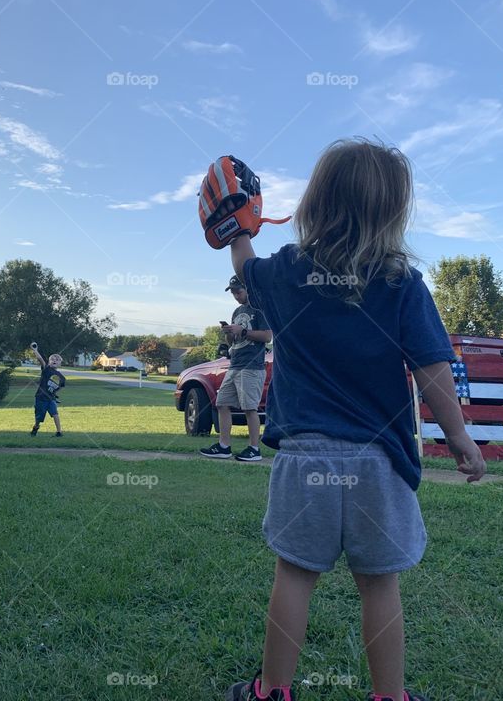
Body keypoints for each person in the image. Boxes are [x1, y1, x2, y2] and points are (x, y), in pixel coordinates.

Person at [219, 140, 486, 701]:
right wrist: (458, 436)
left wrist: (237, 222)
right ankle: (391, 695)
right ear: (392, 210)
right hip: (379, 462)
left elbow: (245, 265)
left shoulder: (289, 272)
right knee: (378, 586)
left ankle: (273, 692)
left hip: (303, 459)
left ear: (316, 201)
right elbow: (432, 368)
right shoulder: (401, 283)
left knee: (294, 576)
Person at [200, 276, 272, 461]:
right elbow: (234, 341)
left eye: (238, 292)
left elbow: (267, 336)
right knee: (222, 403)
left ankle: (254, 449)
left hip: (252, 367)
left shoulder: (260, 309)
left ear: (248, 289)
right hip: (235, 364)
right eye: (232, 293)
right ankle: (224, 446)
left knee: (250, 408)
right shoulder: (237, 311)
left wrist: (244, 331)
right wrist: (230, 334)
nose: (236, 296)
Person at [29, 342, 65, 437]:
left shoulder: (61, 377)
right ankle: (36, 427)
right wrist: (35, 350)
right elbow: (41, 360)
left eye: (57, 360)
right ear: (49, 362)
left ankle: (59, 432)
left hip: (51, 399)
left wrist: (55, 394)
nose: (54, 360)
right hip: (41, 398)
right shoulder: (46, 369)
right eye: (52, 359)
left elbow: (60, 386)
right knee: (39, 418)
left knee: (55, 414)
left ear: (60, 363)